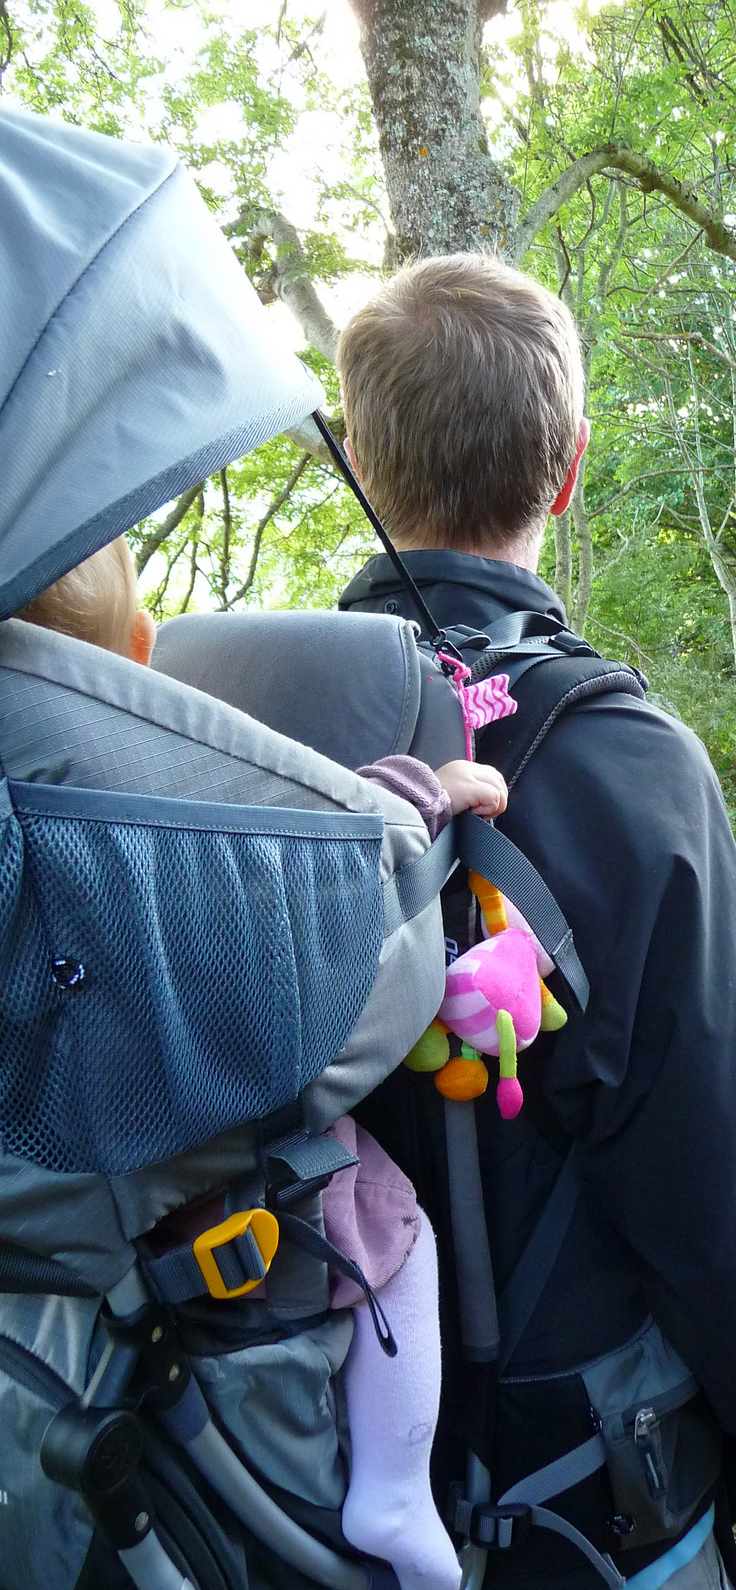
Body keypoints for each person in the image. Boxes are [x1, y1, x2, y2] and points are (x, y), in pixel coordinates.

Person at [335, 253, 736, 1590]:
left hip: (257, 1467)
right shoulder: (623, 760)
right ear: (567, 469)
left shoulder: (230, 730)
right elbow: (731, 1169)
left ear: (358, 458)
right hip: (563, 1483)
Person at [14, 534, 509, 1590]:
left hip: (51, 1201)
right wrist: (420, 791)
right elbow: (315, 874)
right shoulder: (132, 798)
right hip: (182, 1159)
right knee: (392, 1220)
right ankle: (395, 1486)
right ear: (140, 654)